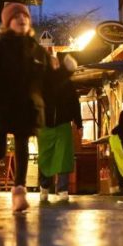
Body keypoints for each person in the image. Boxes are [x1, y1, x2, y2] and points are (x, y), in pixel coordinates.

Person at [0, 2, 75, 212]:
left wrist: (65, 71)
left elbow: (49, 81)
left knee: (22, 146)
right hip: (1, 107)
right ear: (7, 23)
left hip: (27, 108)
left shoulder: (37, 51)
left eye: (25, 17)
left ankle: (19, 190)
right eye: (16, 17)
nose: (22, 20)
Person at [38, 68, 82, 203]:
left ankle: (62, 189)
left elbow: (75, 103)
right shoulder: (40, 82)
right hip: (45, 125)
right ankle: (44, 186)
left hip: (63, 124)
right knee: (45, 156)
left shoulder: (67, 83)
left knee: (63, 157)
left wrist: (79, 123)